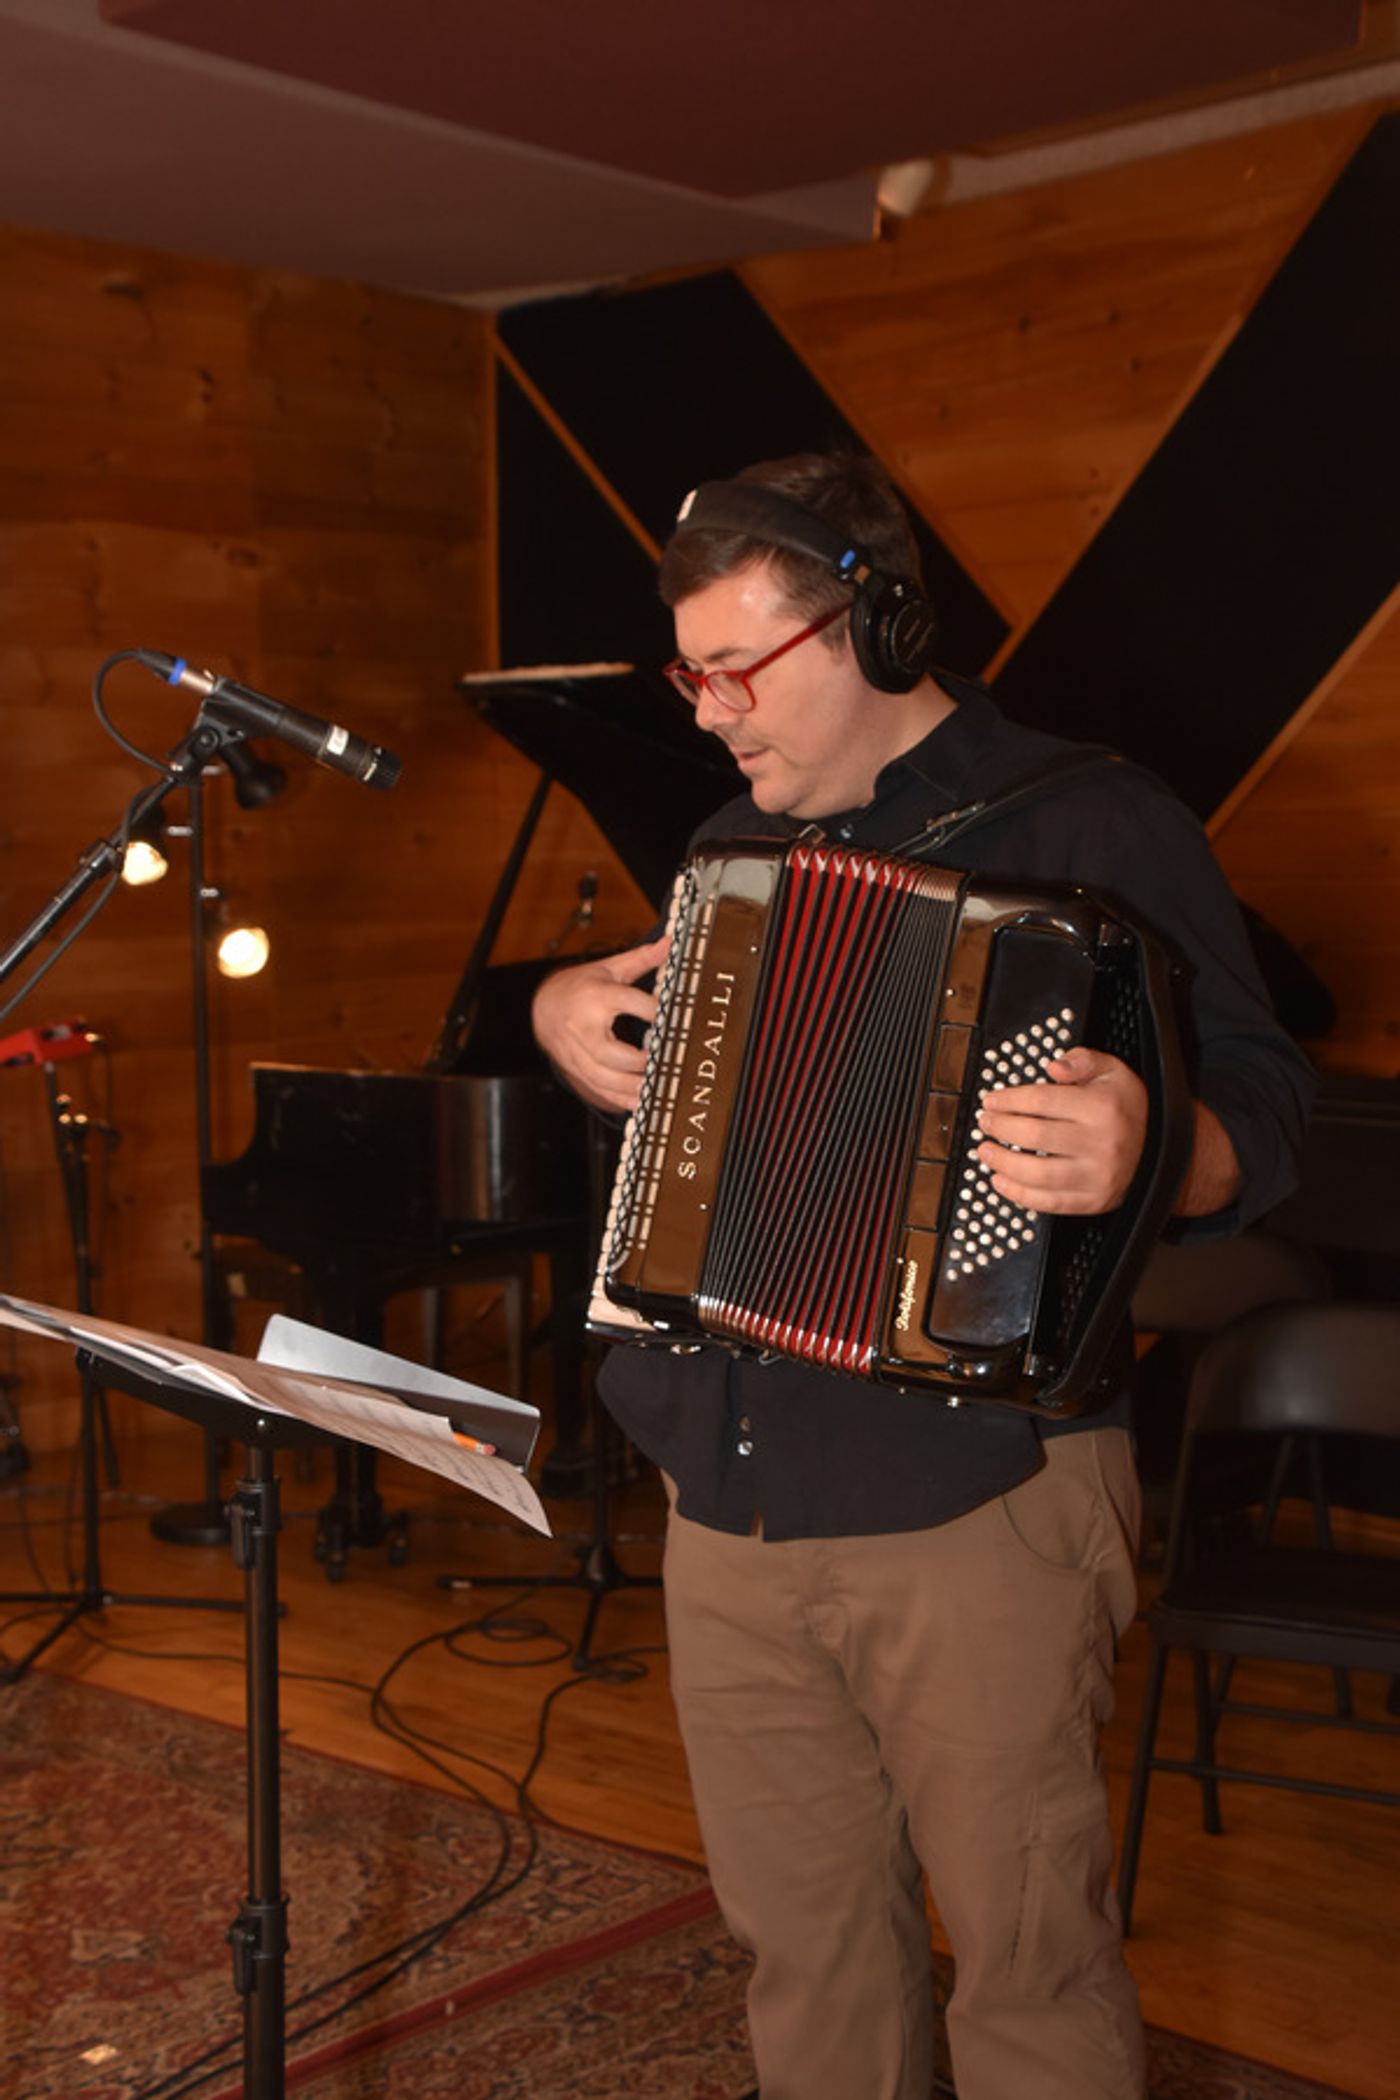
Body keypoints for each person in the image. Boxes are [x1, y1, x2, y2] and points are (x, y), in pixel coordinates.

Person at [532, 451, 1313, 2100]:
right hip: (729, 1489)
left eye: (736, 671)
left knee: (1029, 1971)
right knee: (805, 1955)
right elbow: (687, 1109)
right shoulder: (727, 845)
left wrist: (1156, 1146)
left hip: (982, 1489)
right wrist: (562, 1020)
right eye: (689, 676)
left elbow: (1271, 1111)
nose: (710, 716)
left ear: (878, 630)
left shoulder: (1095, 819)